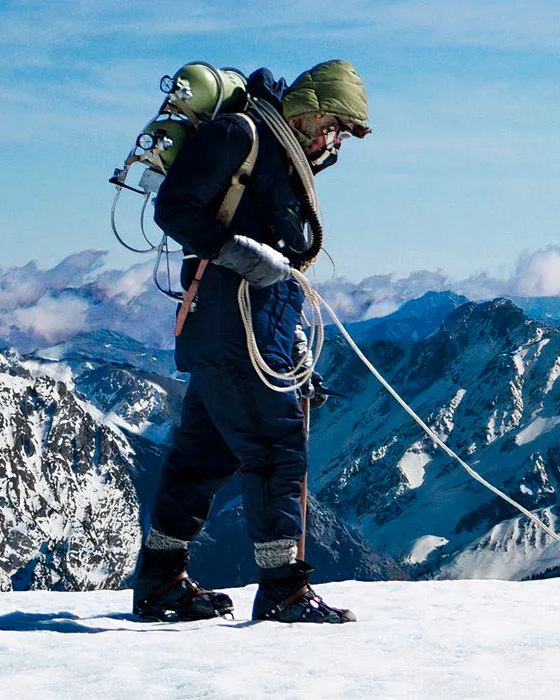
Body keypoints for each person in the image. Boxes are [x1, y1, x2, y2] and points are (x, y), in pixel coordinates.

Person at [132, 60, 371, 624]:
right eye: (333, 126)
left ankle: (160, 580)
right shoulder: (242, 135)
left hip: (238, 323)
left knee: (204, 453)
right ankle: (283, 588)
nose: (333, 141)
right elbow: (175, 207)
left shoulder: (274, 150)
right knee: (277, 448)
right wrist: (236, 252)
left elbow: (277, 260)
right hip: (233, 321)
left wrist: (289, 344)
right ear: (311, 110)